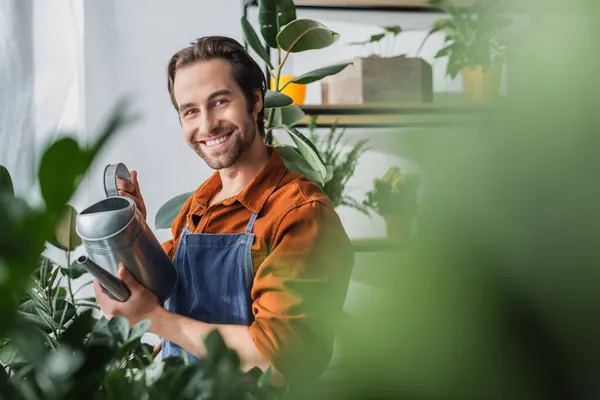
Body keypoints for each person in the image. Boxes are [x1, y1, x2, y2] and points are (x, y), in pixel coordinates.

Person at [93, 36, 354, 383]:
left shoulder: (299, 213)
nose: (206, 124)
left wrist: (155, 320)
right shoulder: (198, 206)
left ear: (255, 100)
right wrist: (134, 233)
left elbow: (277, 359)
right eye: (190, 111)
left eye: (219, 101)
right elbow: (164, 293)